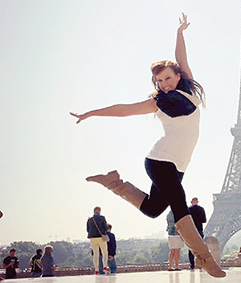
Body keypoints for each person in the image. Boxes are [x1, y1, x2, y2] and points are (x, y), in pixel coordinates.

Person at [70, 14, 225, 278]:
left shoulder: (188, 87)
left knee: (154, 210)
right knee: (179, 205)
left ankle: (114, 182)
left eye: (167, 78)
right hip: (159, 159)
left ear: (177, 74)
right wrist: (92, 113)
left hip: (177, 165)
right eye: (159, 82)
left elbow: (181, 55)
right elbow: (124, 110)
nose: (163, 84)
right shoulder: (157, 101)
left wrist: (180, 32)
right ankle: (204, 259)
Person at [87, 206, 110, 275]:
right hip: (101, 237)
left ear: (94, 211)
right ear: (99, 211)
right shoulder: (102, 218)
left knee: (95, 254)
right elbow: (106, 228)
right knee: (104, 253)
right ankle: (105, 266)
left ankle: (96, 270)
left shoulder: (90, 219)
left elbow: (88, 229)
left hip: (92, 238)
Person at [188, 197, 206, 269]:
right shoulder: (201, 209)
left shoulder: (188, 209)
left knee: (191, 248)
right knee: (200, 248)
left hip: (191, 230)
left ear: (191, 202)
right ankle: (200, 264)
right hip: (199, 229)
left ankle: (192, 264)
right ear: (197, 202)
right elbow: (204, 220)